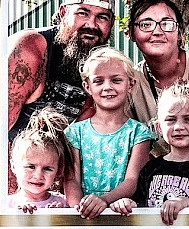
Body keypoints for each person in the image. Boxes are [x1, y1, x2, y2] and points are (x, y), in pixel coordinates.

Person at [8, 0, 116, 140]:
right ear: (64, 13)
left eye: (102, 17)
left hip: (57, 161)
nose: (92, 24)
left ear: (112, 23)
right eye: (83, 13)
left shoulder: (103, 65)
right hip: (12, 160)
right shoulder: (31, 48)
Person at [64, 47, 154, 219]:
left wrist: (103, 201)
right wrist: (80, 210)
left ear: (131, 84)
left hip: (121, 213)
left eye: (116, 80)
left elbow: (131, 181)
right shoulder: (75, 132)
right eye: (98, 81)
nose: (107, 87)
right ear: (87, 87)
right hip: (83, 215)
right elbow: (71, 180)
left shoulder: (138, 133)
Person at [111, 82, 189, 225]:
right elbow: (140, 205)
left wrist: (187, 203)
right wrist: (127, 204)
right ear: (159, 127)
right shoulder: (151, 168)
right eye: (171, 120)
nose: (179, 127)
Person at [127, 0, 189, 154]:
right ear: (131, 33)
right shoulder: (129, 84)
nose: (157, 31)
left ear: (180, 32)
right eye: (146, 24)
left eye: (166, 24)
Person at [7, 108, 73, 213]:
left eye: (47, 169)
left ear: (59, 170)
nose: (38, 176)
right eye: (30, 166)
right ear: (14, 166)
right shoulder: (6, 205)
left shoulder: (64, 204)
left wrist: (61, 217)